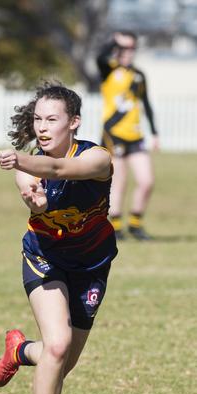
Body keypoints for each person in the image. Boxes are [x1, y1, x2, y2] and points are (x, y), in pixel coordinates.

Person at [0, 82, 117, 394]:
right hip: (45, 257)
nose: (42, 127)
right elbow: (38, 199)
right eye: (37, 119)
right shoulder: (27, 170)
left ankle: (20, 350)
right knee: (58, 345)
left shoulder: (97, 159)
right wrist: (37, 202)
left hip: (93, 263)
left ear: (74, 123)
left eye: (51, 119)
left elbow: (61, 168)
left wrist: (19, 160)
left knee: (61, 360)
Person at [97, 31, 159, 240]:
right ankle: (114, 226)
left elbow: (146, 103)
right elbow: (99, 56)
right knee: (120, 181)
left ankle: (135, 224)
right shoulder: (109, 70)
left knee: (146, 180)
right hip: (113, 134)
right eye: (124, 49)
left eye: (132, 49)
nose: (128, 53)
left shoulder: (138, 75)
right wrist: (114, 40)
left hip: (135, 135)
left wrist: (155, 132)